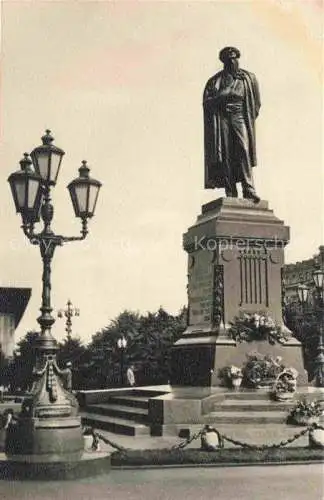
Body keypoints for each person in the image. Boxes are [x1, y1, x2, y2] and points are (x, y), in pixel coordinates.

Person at [203, 46, 261, 202]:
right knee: (226, 154)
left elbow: (256, 104)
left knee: (243, 150)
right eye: (230, 60)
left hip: (240, 117)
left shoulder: (249, 78)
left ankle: (249, 189)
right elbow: (207, 102)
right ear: (224, 62)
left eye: (235, 58)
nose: (233, 62)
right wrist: (225, 93)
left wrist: (245, 116)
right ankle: (231, 191)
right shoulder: (215, 81)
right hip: (222, 119)